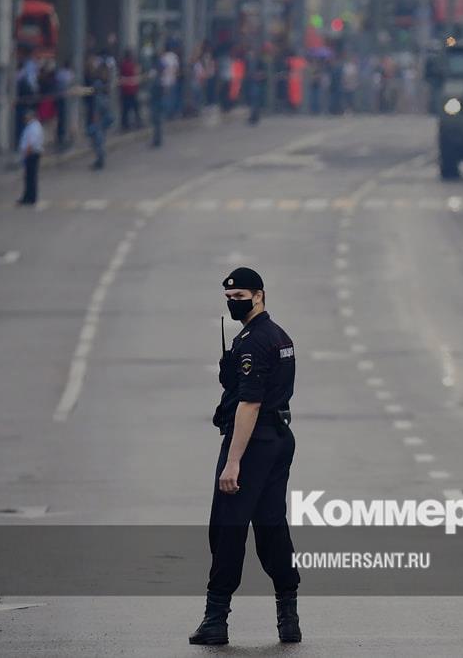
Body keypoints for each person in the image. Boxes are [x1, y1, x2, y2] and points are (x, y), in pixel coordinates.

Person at [189, 268, 301, 646]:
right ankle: (289, 616)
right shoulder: (279, 336)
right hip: (279, 438)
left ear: (260, 295)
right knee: (271, 525)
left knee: (228, 527)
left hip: (251, 442)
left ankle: (215, 619)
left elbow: (250, 403)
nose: (234, 304)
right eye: (229, 299)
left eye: (240, 298)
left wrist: (233, 461)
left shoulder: (253, 343)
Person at [17, 109, 44, 206]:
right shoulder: (31, 126)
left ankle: (31, 197)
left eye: (27, 116)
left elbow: (31, 142)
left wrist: (26, 155)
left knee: (31, 177)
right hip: (31, 153)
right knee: (28, 177)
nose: (25, 118)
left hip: (32, 154)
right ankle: (28, 196)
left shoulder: (34, 126)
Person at [119, 49, 141, 129]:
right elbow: (135, 74)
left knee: (127, 109)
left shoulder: (124, 64)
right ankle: (136, 123)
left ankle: (125, 124)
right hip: (131, 90)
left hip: (126, 90)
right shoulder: (130, 65)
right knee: (134, 108)